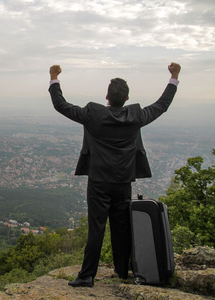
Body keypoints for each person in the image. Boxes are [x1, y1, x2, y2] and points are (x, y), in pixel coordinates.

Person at [48, 63, 181, 287]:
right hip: (123, 181)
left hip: (99, 181)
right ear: (127, 98)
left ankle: (87, 275)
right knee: (121, 228)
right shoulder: (136, 116)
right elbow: (162, 105)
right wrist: (174, 77)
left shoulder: (93, 114)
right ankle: (121, 271)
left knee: (96, 229)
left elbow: (61, 105)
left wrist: (54, 78)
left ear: (107, 96)